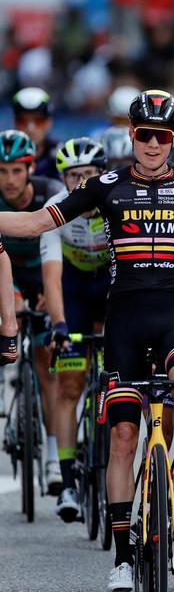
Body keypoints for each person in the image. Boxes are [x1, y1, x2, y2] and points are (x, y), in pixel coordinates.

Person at [0, 89, 174, 592]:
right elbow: (32, 224)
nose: (153, 143)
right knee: (121, 437)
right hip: (123, 322)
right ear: (132, 135)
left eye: (162, 135)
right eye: (144, 134)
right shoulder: (106, 186)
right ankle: (121, 555)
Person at [41, 137, 112, 521]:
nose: (80, 184)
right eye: (73, 177)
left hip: (112, 285)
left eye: (88, 176)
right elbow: (52, 278)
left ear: (101, 176)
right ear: (63, 179)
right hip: (74, 288)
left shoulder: (115, 202)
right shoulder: (56, 209)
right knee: (69, 384)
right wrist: (60, 325)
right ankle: (67, 482)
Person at [0, 128, 63, 493]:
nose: (9, 180)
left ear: (29, 170)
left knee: (46, 361)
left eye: (15, 171)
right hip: (6, 278)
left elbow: (66, 247)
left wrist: (49, 295)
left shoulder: (50, 192)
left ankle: (54, 454)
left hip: (44, 274)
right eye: (2, 171)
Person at [12, 88, 59, 180]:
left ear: (49, 123)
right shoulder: (3, 156)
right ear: (15, 123)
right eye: (23, 121)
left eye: (38, 121)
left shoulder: (62, 155)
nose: (30, 129)